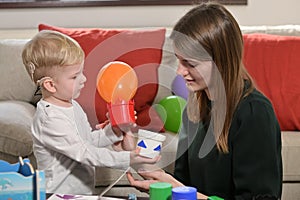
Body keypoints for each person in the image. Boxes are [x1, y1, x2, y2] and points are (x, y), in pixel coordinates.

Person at [126, 2, 282, 200]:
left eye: (190, 64)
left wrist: (181, 190)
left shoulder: (254, 113)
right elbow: (185, 185)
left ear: (221, 61)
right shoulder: (193, 110)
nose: (179, 72)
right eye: (178, 60)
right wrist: (148, 168)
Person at [22, 30, 159, 195]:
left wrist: (113, 131)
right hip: (58, 195)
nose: (84, 79)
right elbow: (84, 152)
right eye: (75, 76)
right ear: (51, 85)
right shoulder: (50, 119)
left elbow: (87, 141)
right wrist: (127, 158)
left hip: (81, 192)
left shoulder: (72, 106)